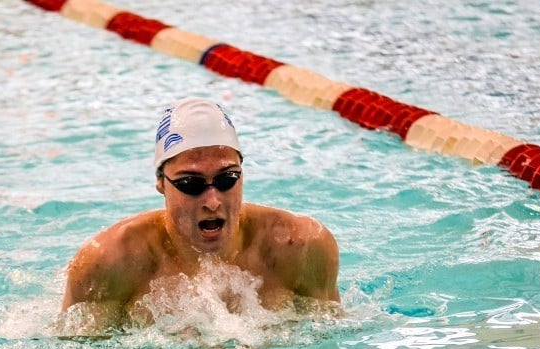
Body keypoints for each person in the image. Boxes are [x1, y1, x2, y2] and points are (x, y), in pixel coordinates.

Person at [61, 97, 340, 333]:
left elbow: (331, 348)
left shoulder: (302, 247)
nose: (212, 201)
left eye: (226, 179)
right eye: (191, 184)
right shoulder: (109, 263)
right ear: (161, 183)